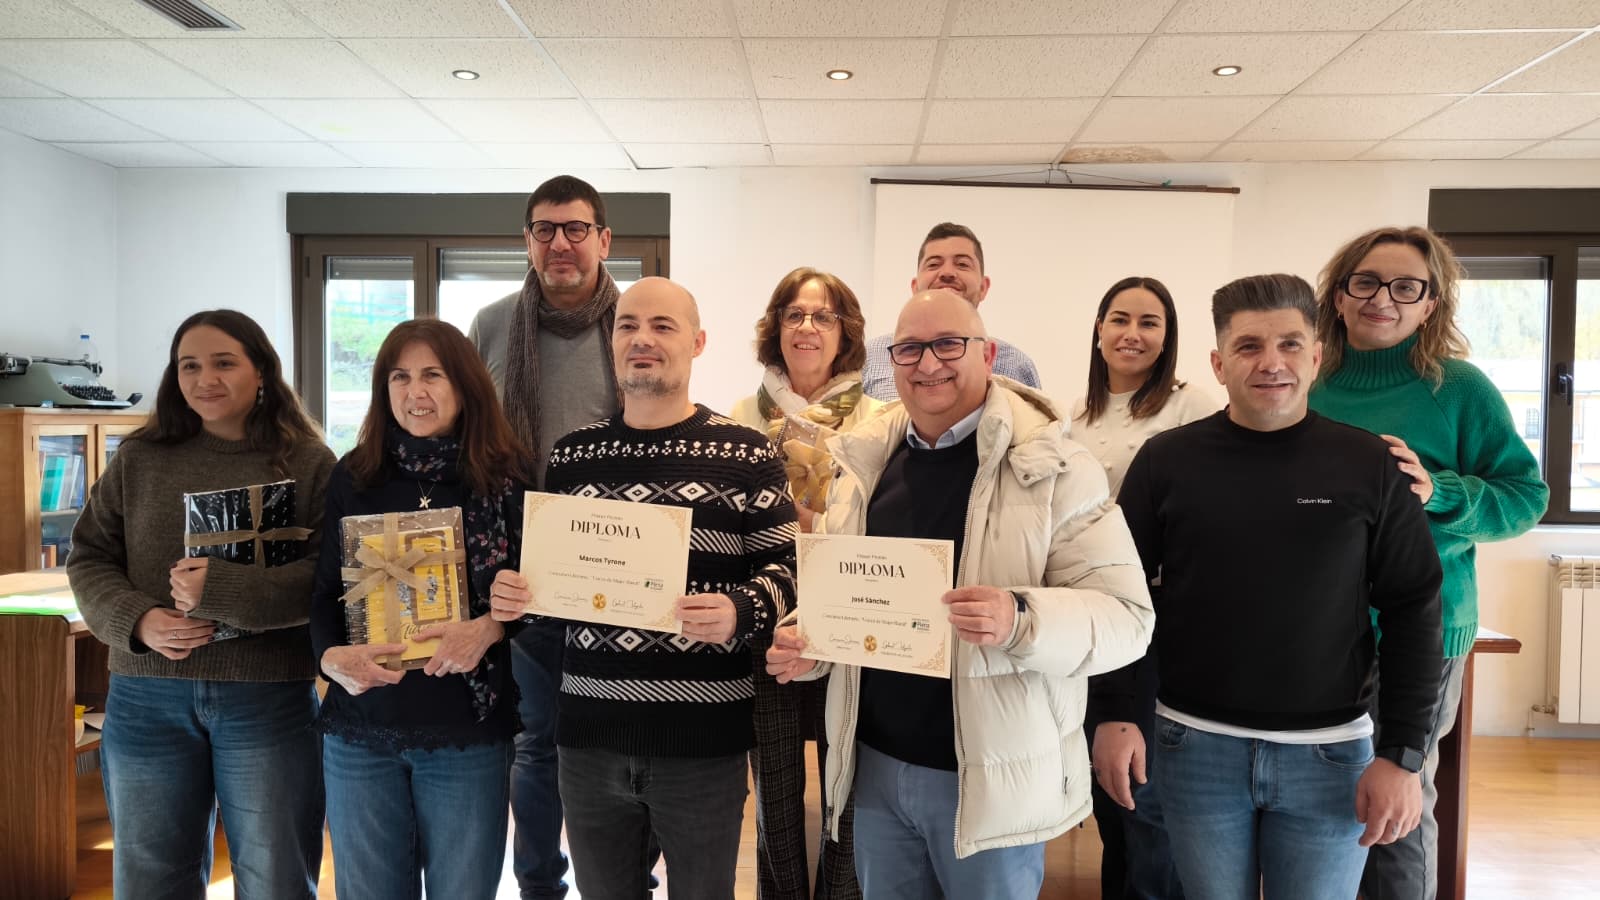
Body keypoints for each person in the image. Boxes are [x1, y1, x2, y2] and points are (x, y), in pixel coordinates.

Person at [767, 289, 1155, 899]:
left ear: (988, 353)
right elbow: (850, 592)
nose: (928, 365)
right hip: (875, 771)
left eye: (948, 345)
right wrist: (809, 636)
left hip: (991, 782)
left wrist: (1020, 617)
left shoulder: (1055, 464)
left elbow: (1127, 617)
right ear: (890, 363)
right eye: (910, 349)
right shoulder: (863, 463)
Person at [1112, 273, 1445, 900]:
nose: (1272, 363)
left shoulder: (1368, 464)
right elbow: (1119, 598)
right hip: (1193, 747)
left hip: (1330, 756)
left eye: (1291, 344)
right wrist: (1113, 716)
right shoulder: (1165, 462)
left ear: (1316, 356)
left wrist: (1401, 754)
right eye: (1248, 347)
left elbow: (1413, 608)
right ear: (1217, 362)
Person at [493, 276, 797, 900]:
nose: (642, 340)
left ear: (698, 342)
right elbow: (547, 590)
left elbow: (791, 573)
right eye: (628, 325)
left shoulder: (749, 455)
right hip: (589, 740)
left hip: (702, 744)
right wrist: (516, 598)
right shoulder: (574, 459)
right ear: (612, 340)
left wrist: (741, 610)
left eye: (663, 326)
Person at [1307, 227, 1548, 900]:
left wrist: (1438, 491)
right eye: (1367, 281)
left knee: (1394, 809)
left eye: (1405, 286)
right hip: (1319, 633)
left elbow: (1525, 498)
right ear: (1340, 293)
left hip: (1423, 633)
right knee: (1327, 798)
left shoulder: (1459, 388)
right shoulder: (1309, 380)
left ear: (1430, 304)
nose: (1383, 298)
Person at [69, 309, 333, 899]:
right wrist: (136, 619)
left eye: (223, 362)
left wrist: (223, 591)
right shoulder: (139, 458)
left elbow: (326, 579)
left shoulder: (311, 463)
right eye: (189, 365)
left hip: (267, 699)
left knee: (277, 880)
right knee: (149, 879)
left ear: (261, 371)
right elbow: (87, 555)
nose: (204, 379)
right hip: (145, 698)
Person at [310, 319, 529, 900]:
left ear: (464, 385)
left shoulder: (506, 478)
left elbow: (536, 601)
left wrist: (489, 627)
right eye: (400, 377)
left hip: (467, 732)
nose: (416, 392)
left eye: (433, 374)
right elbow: (325, 593)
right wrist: (330, 659)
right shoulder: (354, 475)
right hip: (359, 732)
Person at [468, 174, 622, 900]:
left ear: (603, 239)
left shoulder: (634, 323)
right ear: (527, 241)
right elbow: (471, 438)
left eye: (576, 229)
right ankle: (538, 886)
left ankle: (621, 885)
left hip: (618, 562)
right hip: (523, 568)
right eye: (545, 229)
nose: (561, 243)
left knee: (618, 737)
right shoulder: (492, 325)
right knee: (535, 743)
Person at [731, 267, 882, 900]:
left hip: (847, 628)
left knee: (848, 789)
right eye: (795, 314)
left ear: (845, 331)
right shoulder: (740, 416)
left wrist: (816, 522)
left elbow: (884, 526)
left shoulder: (881, 419)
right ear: (776, 328)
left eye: (823, 316)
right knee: (776, 797)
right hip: (768, 631)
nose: (808, 327)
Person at [1072, 276, 1215, 900]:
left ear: (1168, 336)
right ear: (1099, 331)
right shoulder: (1071, 418)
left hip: (1159, 617)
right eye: (1119, 319)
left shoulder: (1193, 407)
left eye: (1149, 322)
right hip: (1081, 612)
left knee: (1147, 796)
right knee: (1107, 790)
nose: (1132, 333)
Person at [860, 223, 1041, 401]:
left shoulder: (1018, 365)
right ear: (915, 287)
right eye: (933, 264)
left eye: (962, 264)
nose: (947, 273)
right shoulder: (869, 357)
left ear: (983, 287)